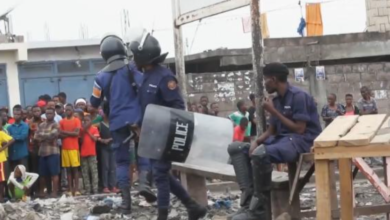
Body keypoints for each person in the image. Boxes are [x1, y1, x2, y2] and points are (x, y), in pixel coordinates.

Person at [228, 63, 322, 220]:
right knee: (236, 148)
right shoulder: (276, 100)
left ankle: (259, 211)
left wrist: (272, 111)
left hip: (302, 140)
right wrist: (256, 142)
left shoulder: (298, 96)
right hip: (283, 139)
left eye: (265, 80)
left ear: (273, 79)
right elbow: (272, 130)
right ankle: (247, 204)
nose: (264, 84)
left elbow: (299, 129)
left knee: (261, 154)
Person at [132, 32, 207, 220]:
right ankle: (192, 206)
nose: (133, 58)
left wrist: (170, 134)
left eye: (135, 54)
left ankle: (163, 216)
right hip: (152, 134)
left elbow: (178, 107)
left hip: (166, 134)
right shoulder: (145, 76)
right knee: (162, 173)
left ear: (143, 56)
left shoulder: (164, 77)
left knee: (159, 174)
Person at [90, 35, 156, 214]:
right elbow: (144, 84)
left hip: (117, 123)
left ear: (104, 54)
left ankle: (126, 204)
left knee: (121, 162)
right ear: (121, 50)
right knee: (143, 155)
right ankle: (144, 185)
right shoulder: (131, 68)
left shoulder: (100, 76)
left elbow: (94, 103)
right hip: (137, 119)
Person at [34, 108, 60, 198]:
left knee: (54, 173)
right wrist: (46, 137)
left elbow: (53, 135)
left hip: (53, 152)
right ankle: (42, 192)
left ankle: (54, 192)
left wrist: (43, 137)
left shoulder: (56, 125)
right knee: (42, 174)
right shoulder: (41, 125)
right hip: (42, 152)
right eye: (47, 113)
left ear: (54, 114)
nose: (49, 115)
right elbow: (36, 136)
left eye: (50, 113)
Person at [59, 104, 81, 196]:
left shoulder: (76, 120)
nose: (68, 111)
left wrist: (65, 133)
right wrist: (71, 133)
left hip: (74, 148)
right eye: (66, 110)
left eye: (69, 109)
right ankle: (70, 189)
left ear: (72, 110)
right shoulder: (61, 121)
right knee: (67, 169)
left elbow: (76, 133)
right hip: (65, 148)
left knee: (75, 169)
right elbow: (60, 134)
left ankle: (76, 189)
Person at [98, 103, 118, 193]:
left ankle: (113, 185)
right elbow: (94, 134)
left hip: (113, 146)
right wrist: (102, 140)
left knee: (113, 167)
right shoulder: (99, 124)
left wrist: (111, 139)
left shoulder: (114, 123)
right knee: (105, 167)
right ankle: (105, 186)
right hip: (104, 147)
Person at [80, 115, 99, 195]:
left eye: (87, 120)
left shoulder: (94, 129)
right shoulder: (81, 130)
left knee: (94, 172)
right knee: (85, 172)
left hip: (92, 153)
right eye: (84, 120)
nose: (85, 122)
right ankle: (88, 189)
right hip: (83, 154)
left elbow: (95, 139)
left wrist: (87, 131)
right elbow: (80, 140)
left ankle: (95, 189)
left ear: (91, 121)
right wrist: (84, 131)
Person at [8, 106, 29, 171]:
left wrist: (12, 137)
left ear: (22, 115)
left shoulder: (25, 125)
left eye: (18, 114)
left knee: (23, 173)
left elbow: (22, 137)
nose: (16, 116)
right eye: (15, 114)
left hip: (22, 154)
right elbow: (8, 138)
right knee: (14, 174)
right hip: (12, 154)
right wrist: (15, 137)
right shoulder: (10, 127)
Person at [27, 105, 43, 197]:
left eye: (38, 110)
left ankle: (42, 190)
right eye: (35, 111)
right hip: (33, 149)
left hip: (43, 148)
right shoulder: (29, 123)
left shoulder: (44, 121)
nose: (37, 112)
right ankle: (34, 190)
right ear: (32, 112)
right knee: (34, 170)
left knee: (42, 170)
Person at [0, 117, 14, 202]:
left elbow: (12, 140)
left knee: (1, 180)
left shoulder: (1, 133)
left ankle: (1, 197)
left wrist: (3, 148)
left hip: (0, 159)